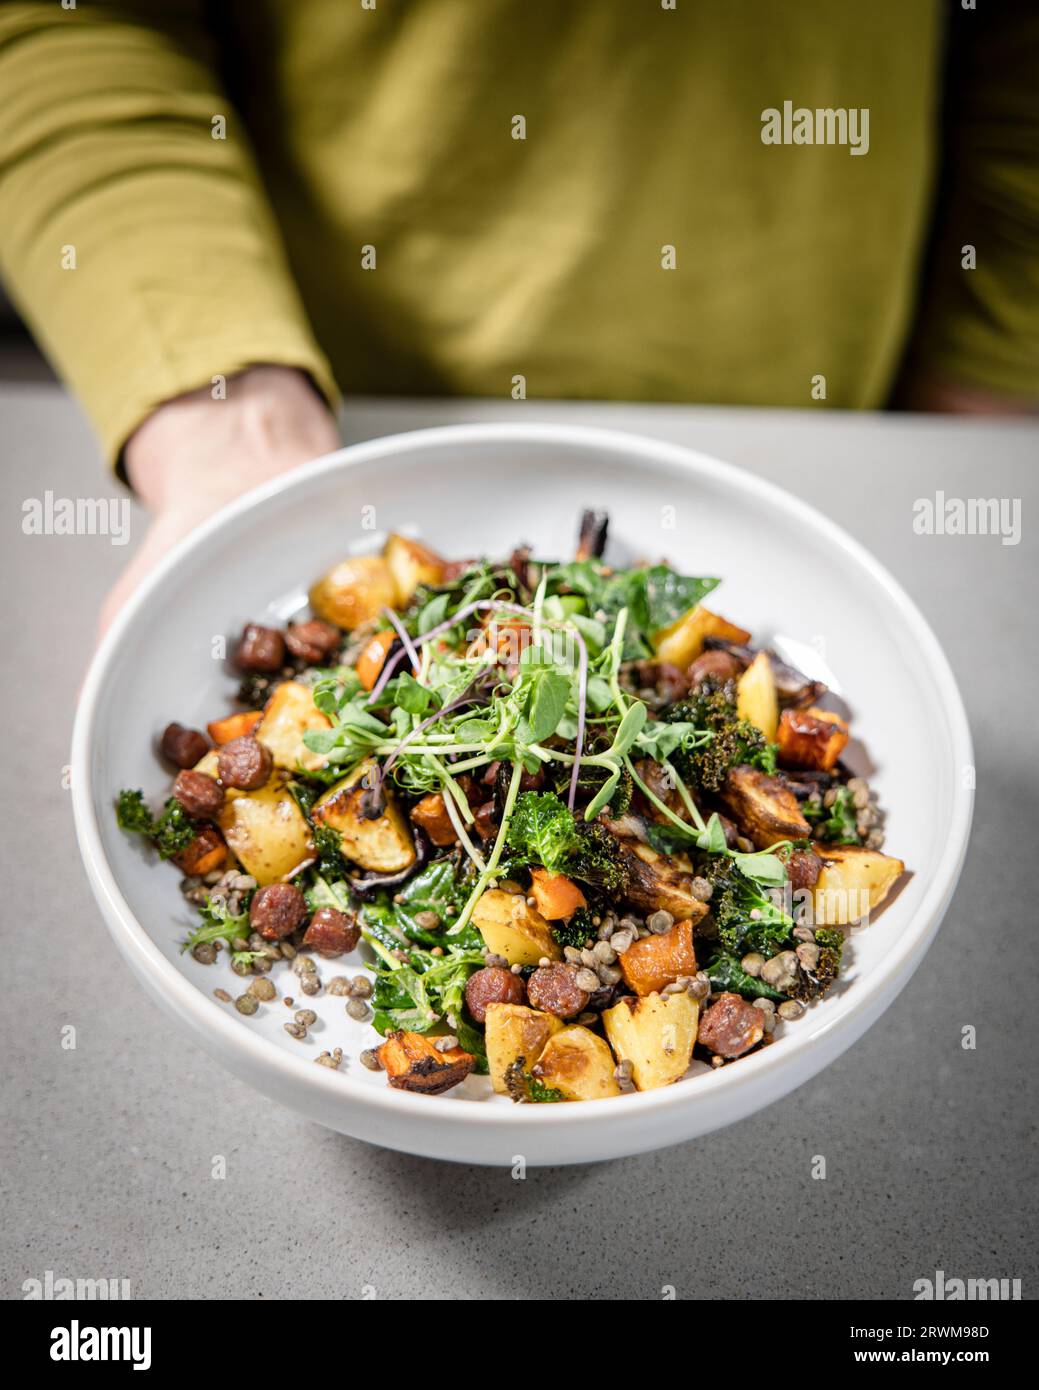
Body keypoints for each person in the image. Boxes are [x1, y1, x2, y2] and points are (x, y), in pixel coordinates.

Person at [0, 1, 1035, 629]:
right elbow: (69, 15)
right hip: (346, 413)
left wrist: (971, 415)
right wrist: (229, 425)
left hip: (839, 413)